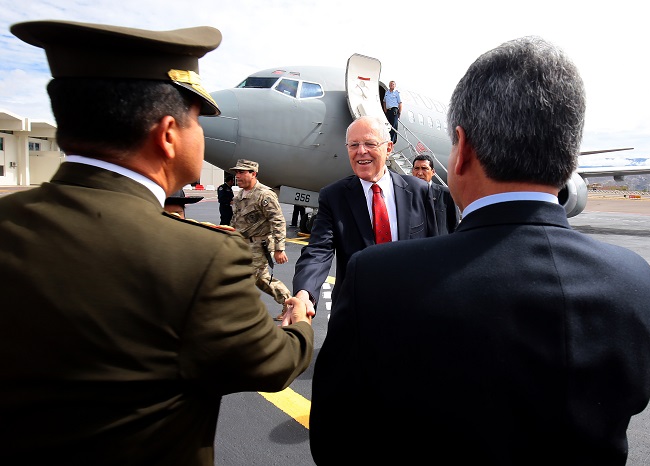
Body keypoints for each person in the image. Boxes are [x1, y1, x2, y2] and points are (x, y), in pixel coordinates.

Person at [309, 36, 650, 465]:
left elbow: (335, 440)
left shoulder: (378, 280)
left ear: (461, 150)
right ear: (568, 154)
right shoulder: (636, 280)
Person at [0, 19, 314, 466]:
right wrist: (299, 322)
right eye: (197, 120)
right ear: (168, 135)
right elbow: (268, 364)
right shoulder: (202, 257)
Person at [292, 115, 438, 313]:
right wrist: (304, 293)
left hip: (413, 310)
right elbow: (318, 251)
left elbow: (436, 250)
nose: (361, 151)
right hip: (356, 314)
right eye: (353, 145)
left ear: (388, 148)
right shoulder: (334, 196)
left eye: (370, 143)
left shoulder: (420, 191)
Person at [231, 159, 292, 321]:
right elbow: (236, 220)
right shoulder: (240, 195)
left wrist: (280, 248)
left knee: (243, 278)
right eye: (237, 172)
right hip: (241, 245)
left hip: (259, 246)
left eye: (242, 172)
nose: (238, 176)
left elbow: (278, 221)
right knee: (262, 280)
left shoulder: (265, 195)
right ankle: (288, 302)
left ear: (253, 174)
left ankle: (240, 316)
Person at [412, 154, 460, 234]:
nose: (420, 173)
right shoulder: (406, 194)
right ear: (412, 171)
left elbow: (454, 225)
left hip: (441, 244)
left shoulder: (446, 194)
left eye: (424, 169)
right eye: (417, 168)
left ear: (433, 172)